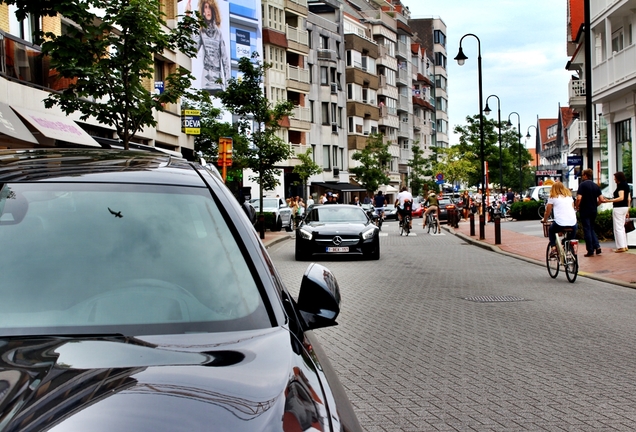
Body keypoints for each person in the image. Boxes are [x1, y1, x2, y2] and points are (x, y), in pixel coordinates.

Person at [190, 0, 230, 94]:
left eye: (210, 8)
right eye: (205, 7)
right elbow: (193, 49)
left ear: (213, 10)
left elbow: (225, 60)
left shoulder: (218, 33)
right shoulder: (201, 31)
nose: (208, 11)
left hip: (217, 81)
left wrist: (228, 86)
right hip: (206, 80)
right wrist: (189, 22)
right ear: (203, 11)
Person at [542, 181, 578, 257]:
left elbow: (547, 212)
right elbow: (572, 208)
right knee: (570, 239)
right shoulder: (569, 196)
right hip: (573, 223)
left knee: (551, 230)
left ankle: (553, 248)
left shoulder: (553, 197)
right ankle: (568, 246)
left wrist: (544, 220)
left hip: (560, 223)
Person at [575, 168, 603, 257]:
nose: (582, 176)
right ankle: (597, 246)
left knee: (587, 229)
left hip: (585, 210)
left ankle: (590, 250)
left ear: (585, 176)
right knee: (591, 228)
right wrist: (596, 205)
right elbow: (601, 199)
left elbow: (579, 198)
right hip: (593, 210)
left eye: (583, 175)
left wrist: (577, 206)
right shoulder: (596, 186)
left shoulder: (582, 185)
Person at [607, 171, 631, 252]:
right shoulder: (626, 185)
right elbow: (629, 199)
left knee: (618, 228)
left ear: (618, 178)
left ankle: (621, 247)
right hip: (624, 208)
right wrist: (628, 210)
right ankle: (625, 245)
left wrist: (610, 201)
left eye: (615, 177)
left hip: (618, 208)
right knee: (622, 227)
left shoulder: (621, 185)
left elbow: (621, 197)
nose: (614, 179)